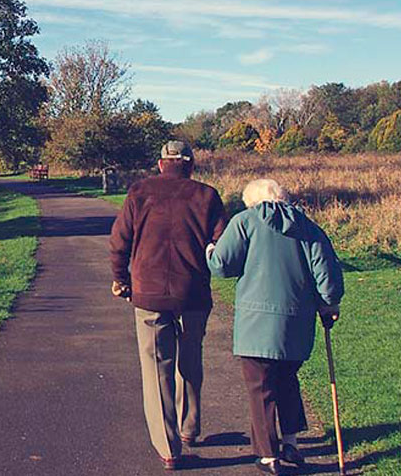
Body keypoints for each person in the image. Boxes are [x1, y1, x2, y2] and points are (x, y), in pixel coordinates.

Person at [208, 178, 344, 475]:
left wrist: (209, 251)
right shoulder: (308, 226)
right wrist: (329, 304)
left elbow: (222, 266)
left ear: (252, 201)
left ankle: (268, 455)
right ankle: (291, 442)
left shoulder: (244, 222)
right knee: (287, 379)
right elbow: (326, 274)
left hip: (256, 324)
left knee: (260, 387)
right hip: (297, 322)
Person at [109, 140, 228, 470]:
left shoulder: (139, 192)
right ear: (190, 165)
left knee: (156, 369)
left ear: (161, 164)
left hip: (149, 293)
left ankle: (169, 447)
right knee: (190, 360)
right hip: (193, 293)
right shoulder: (207, 195)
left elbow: (119, 241)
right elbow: (222, 244)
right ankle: (189, 427)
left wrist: (121, 278)